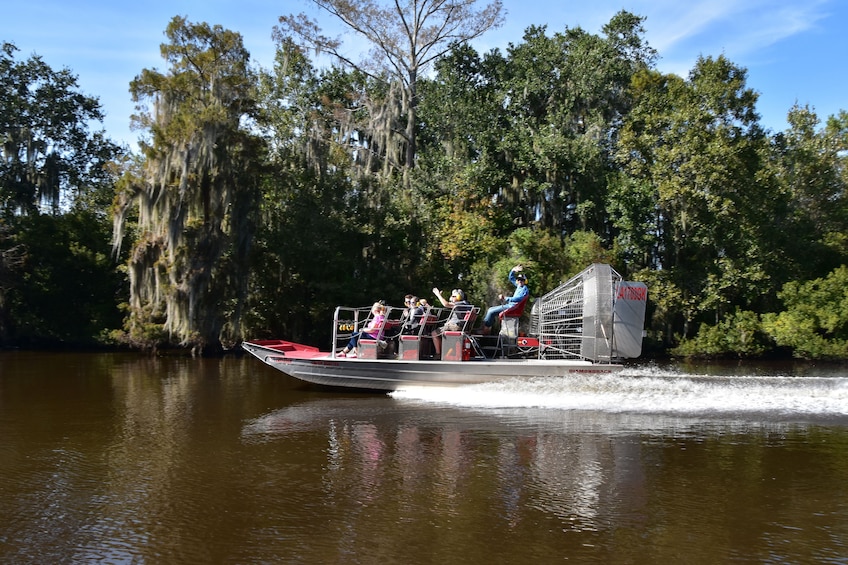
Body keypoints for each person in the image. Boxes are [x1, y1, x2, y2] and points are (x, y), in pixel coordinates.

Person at [481, 265, 529, 335]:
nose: (520, 281)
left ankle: (486, 329)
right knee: (491, 310)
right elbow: (511, 278)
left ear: (525, 281)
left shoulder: (524, 289)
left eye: (522, 280)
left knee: (491, 311)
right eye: (518, 279)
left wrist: (505, 298)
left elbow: (518, 299)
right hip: (511, 305)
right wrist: (513, 270)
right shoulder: (519, 286)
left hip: (512, 307)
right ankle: (488, 327)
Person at [431, 288, 471, 356]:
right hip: (458, 326)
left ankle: (438, 354)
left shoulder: (459, 304)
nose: (451, 297)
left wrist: (438, 295)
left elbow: (445, 304)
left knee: (434, 333)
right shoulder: (466, 303)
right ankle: (443, 352)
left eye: (453, 296)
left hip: (455, 326)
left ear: (459, 297)